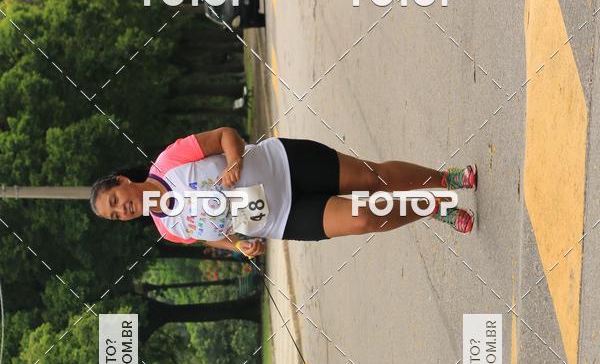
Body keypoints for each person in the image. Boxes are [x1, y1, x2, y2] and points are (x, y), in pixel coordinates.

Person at [90, 127, 477, 255]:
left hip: (284, 163)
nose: (122, 211)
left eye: (115, 201)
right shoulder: (168, 229)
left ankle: (445, 180)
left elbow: (226, 136)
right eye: (115, 216)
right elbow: (216, 236)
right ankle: (431, 207)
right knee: (364, 219)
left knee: (371, 179)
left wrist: (234, 162)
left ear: (123, 182)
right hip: (282, 217)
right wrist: (240, 246)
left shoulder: (169, 161)